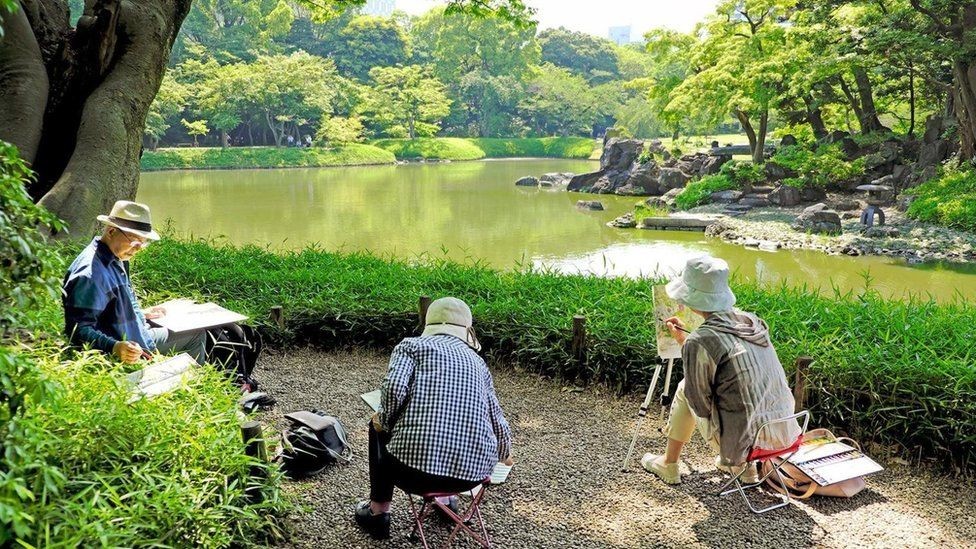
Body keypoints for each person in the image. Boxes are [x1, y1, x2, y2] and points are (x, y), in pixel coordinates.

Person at [355, 297, 513, 540]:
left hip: (412, 473)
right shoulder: (479, 363)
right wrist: (504, 453)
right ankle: (447, 500)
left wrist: (384, 420)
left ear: (429, 324)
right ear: (467, 330)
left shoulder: (412, 346)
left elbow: (395, 390)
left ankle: (379, 512)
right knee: (456, 424)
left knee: (377, 425)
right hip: (472, 478)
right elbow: (496, 415)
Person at [642, 255, 800, 485]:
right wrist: (685, 342)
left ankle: (669, 463)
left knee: (685, 388)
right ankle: (746, 471)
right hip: (785, 431)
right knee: (743, 397)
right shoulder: (750, 321)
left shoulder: (701, 340)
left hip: (747, 442)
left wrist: (690, 348)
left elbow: (699, 403)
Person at [62, 200, 207, 364]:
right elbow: (78, 329)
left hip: (135, 329)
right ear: (111, 231)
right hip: (133, 343)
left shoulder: (116, 256)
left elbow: (108, 306)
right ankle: (194, 380)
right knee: (197, 334)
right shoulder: (91, 274)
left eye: (143, 242)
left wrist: (141, 313)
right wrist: (115, 347)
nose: (138, 248)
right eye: (135, 241)